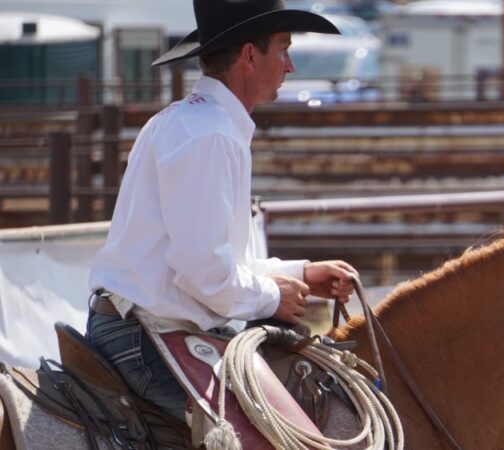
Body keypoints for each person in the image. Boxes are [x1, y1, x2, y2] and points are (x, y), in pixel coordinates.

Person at [86, 0, 357, 423]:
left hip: (141, 330)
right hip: (148, 340)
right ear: (250, 55)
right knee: (276, 431)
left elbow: (219, 266)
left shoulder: (189, 122)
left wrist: (300, 274)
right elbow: (204, 273)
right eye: (283, 50)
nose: (290, 67)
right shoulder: (211, 135)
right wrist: (273, 295)